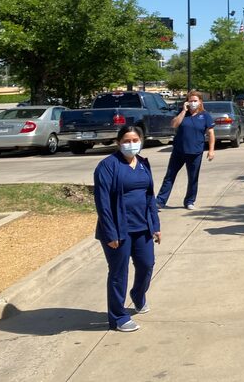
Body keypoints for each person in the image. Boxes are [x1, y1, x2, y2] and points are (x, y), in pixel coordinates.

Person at [93, 126, 161, 332]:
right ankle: (118, 317)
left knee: (147, 264)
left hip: (142, 227)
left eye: (135, 139)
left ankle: (138, 295)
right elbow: (102, 202)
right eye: (127, 140)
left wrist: (155, 225)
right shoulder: (107, 166)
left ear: (141, 140)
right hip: (118, 230)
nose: (131, 144)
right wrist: (111, 233)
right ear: (118, 142)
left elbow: (150, 197)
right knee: (118, 273)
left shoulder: (143, 164)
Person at [156, 90, 215, 210]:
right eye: (190, 101)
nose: (193, 103)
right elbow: (174, 124)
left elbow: (211, 133)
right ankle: (160, 201)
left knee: (193, 178)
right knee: (169, 176)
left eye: (195, 101)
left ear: (200, 102)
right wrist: (183, 111)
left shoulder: (205, 115)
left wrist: (211, 150)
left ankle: (189, 201)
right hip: (179, 151)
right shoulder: (182, 113)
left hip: (195, 152)